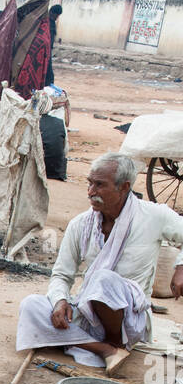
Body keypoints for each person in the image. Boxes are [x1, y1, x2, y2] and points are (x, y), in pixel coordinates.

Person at [17, 152, 183, 368]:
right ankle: (106, 349)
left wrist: (181, 267)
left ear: (124, 187)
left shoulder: (153, 216)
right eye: (90, 183)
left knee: (103, 279)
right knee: (31, 305)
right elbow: (61, 274)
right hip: (89, 312)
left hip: (129, 319)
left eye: (99, 185)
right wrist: (60, 301)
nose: (91, 192)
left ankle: (114, 341)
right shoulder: (80, 224)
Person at [45, 4, 62, 86]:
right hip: (45, 51)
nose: (57, 17)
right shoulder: (48, 23)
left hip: (47, 50)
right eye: (57, 15)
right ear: (52, 13)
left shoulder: (48, 22)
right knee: (49, 75)